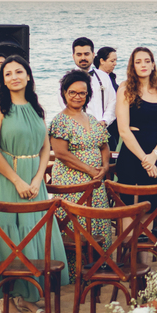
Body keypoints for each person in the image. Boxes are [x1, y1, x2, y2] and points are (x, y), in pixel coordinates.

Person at [0, 56, 69, 313]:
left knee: (33, 231)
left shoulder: (35, 107)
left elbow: (45, 148)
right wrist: (18, 181)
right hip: (8, 178)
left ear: (28, 76)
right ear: (3, 80)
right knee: (9, 234)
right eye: (7, 74)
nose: (13, 77)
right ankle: (5, 299)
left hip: (35, 178)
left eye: (18, 72)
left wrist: (39, 177)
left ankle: (27, 295)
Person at [49, 70, 112, 242]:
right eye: (73, 92)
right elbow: (61, 153)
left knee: (97, 222)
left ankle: (99, 264)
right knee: (75, 224)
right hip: (71, 182)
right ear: (64, 93)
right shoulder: (60, 120)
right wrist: (89, 170)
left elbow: (104, 145)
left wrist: (104, 167)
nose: (77, 96)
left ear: (88, 94)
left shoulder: (92, 119)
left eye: (82, 93)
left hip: (96, 181)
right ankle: (74, 267)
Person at [116, 48, 157, 214]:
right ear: (132, 66)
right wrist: (145, 159)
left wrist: (154, 156)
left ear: (153, 64)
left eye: (147, 61)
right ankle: (128, 240)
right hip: (132, 152)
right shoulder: (125, 90)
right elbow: (123, 130)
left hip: (155, 152)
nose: (143, 65)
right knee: (128, 204)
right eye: (138, 61)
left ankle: (145, 237)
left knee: (150, 204)